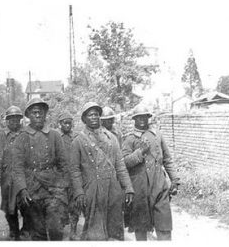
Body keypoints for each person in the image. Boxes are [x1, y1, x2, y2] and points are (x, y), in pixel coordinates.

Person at [70, 102, 134, 240]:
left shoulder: (111, 138)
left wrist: (128, 187)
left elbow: (120, 165)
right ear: (84, 119)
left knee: (114, 230)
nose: (94, 117)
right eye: (90, 114)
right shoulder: (78, 141)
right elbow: (74, 170)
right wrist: (79, 192)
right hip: (92, 190)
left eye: (96, 114)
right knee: (95, 232)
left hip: (113, 188)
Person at [121, 105, 180, 241]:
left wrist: (175, 180)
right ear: (134, 119)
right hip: (140, 189)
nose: (142, 119)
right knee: (141, 229)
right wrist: (139, 152)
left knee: (164, 227)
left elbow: (167, 159)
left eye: (145, 116)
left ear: (149, 118)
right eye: (138, 117)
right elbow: (124, 163)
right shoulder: (129, 139)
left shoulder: (157, 135)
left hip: (159, 186)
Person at [12, 97, 68, 240]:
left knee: (56, 229)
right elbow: (17, 167)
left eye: (41, 112)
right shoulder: (21, 137)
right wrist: (22, 189)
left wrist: (62, 188)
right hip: (32, 190)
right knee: (38, 233)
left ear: (45, 114)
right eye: (34, 112)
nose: (38, 115)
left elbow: (64, 164)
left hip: (53, 189)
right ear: (28, 115)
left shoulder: (55, 135)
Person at [0, 106, 28, 240]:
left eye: (16, 119)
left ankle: (25, 230)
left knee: (26, 206)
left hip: (23, 176)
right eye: (11, 119)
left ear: (20, 120)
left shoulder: (25, 133)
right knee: (9, 208)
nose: (14, 122)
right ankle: (14, 232)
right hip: (7, 177)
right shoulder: (2, 135)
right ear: (7, 121)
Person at [57, 112, 80, 240]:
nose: (67, 125)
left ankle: (73, 231)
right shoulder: (55, 136)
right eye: (64, 123)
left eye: (69, 123)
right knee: (59, 205)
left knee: (75, 205)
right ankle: (59, 230)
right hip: (59, 177)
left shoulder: (76, 137)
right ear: (60, 124)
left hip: (74, 177)